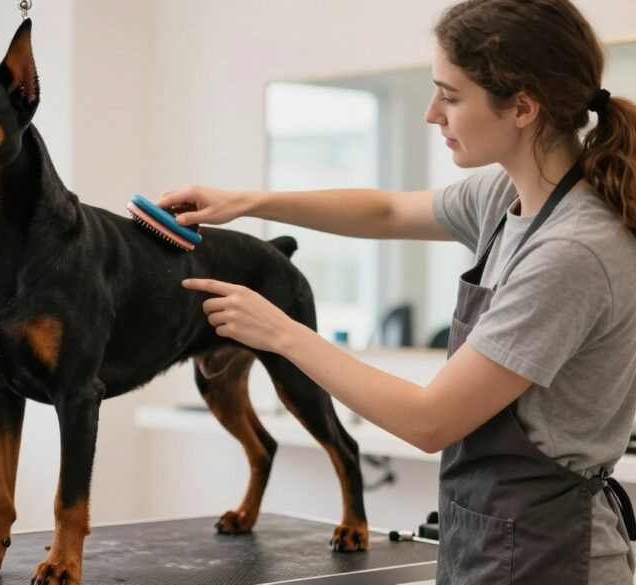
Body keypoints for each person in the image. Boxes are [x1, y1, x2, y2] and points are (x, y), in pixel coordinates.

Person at [158, 1, 636, 583]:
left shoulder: (572, 251)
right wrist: (247, 201)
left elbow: (429, 421)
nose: (431, 114)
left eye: (450, 96)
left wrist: (281, 332)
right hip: (487, 539)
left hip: (554, 558)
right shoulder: (503, 199)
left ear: (523, 107)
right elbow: (384, 211)